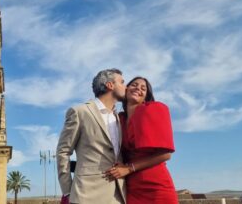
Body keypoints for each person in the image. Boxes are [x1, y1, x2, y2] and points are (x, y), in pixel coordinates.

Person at [56, 69, 127, 204]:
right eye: (122, 82)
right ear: (110, 85)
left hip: (118, 194)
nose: (126, 86)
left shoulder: (118, 117)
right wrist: (67, 191)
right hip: (87, 195)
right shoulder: (80, 112)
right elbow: (63, 151)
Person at [105, 76, 178, 204]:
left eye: (143, 88)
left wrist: (129, 168)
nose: (138, 88)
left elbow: (166, 155)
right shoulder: (118, 119)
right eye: (134, 85)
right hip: (132, 186)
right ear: (126, 90)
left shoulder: (153, 110)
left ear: (146, 96)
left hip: (156, 185)